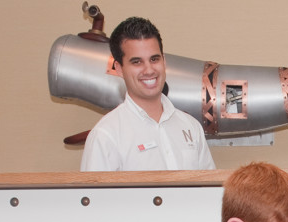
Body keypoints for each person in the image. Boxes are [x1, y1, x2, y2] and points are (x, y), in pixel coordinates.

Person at [81, 17, 215, 171]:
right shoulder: (105, 135)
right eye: (136, 62)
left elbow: (208, 192)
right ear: (118, 68)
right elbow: (95, 195)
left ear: (164, 61)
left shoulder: (191, 127)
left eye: (154, 59)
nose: (149, 70)